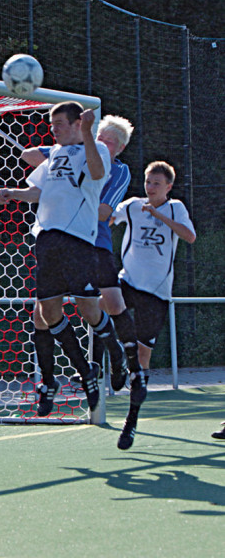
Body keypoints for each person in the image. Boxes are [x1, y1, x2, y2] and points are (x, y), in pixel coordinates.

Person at [0, 101, 125, 417]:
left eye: (59, 124)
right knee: (48, 312)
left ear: (75, 124)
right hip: (47, 239)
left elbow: (97, 172)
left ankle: (115, 350)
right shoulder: (54, 155)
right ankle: (85, 371)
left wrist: (87, 131)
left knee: (87, 309)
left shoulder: (96, 151)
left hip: (78, 241)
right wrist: (14, 194)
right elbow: (40, 192)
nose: (53, 129)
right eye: (52, 124)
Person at [22, 115, 136, 391]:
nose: (102, 146)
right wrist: (62, 164)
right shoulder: (73, 153)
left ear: (119, 149)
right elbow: (28, 155)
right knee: (43, 313)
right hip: (61, 244)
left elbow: (103, 212)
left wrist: (73, 195)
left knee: (110, 304)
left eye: (109, 144)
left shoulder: (118, 170)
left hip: (94, 244)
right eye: (99, 140)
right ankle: (55, 381)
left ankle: (128, 366)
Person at [109, 161, 196, 449]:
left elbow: (189, 236)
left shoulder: (175, 208)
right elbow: (108, 217)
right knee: (102, 302)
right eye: (148, 181)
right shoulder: (133, 205)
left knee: (144, 358)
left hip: (156, 292)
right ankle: (116, 358)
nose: (151, 187)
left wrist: (158, 215)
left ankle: (131, 422)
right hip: (129, 280)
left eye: (157, 183)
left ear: (168, 187)